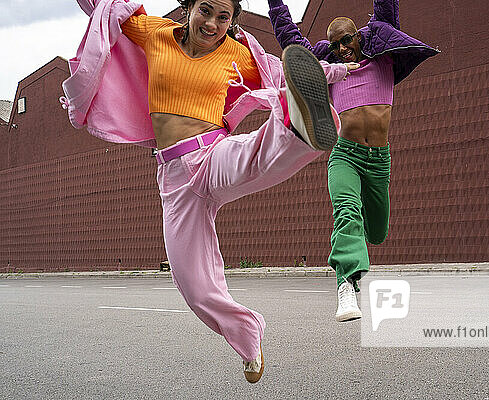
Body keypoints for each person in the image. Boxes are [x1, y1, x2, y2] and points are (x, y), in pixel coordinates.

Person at [61, 0, 357, 383]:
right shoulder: (155, 33)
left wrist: (337, 71)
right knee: (194, 287)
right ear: (188, 8)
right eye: (206, 11)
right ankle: (248, 338)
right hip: (173, 178)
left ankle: (296, 126)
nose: (212, 24)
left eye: (223, 17)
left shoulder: (237, 54)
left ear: (232, 21)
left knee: (252, 157)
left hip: (212, 153)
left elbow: (286, 71)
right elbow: (100, 4)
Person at [267, 0, 439, 322]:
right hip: (344, 155)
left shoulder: (382, 56)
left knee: (376, 232)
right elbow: (290, 38)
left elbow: (386, 5)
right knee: (346, 211)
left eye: (347, 40)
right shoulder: (332, 71)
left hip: (378, 160)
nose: (343, 48)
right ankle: (345, 284)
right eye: (335, 45)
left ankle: (355, 257)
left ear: (358, 36)